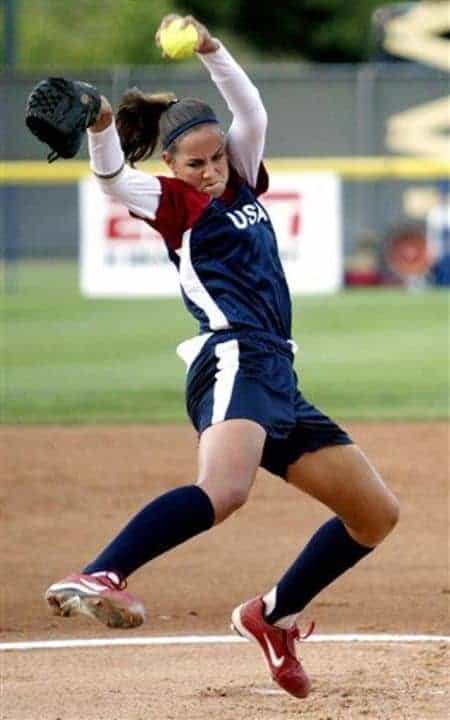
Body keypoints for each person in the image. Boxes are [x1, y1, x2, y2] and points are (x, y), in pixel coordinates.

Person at [45, 14, 399, 699]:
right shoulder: (174, 203)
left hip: (277, 373)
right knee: (225, 490)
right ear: (173, 167)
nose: (208, 171)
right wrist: (97, 127)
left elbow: (250, 108)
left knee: (374, 514)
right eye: (194, 163)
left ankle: (273, 616)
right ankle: (102, 574)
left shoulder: (242, 180)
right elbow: (116, 182)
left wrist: (209, 46)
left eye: (214, 158)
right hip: (233, 355)